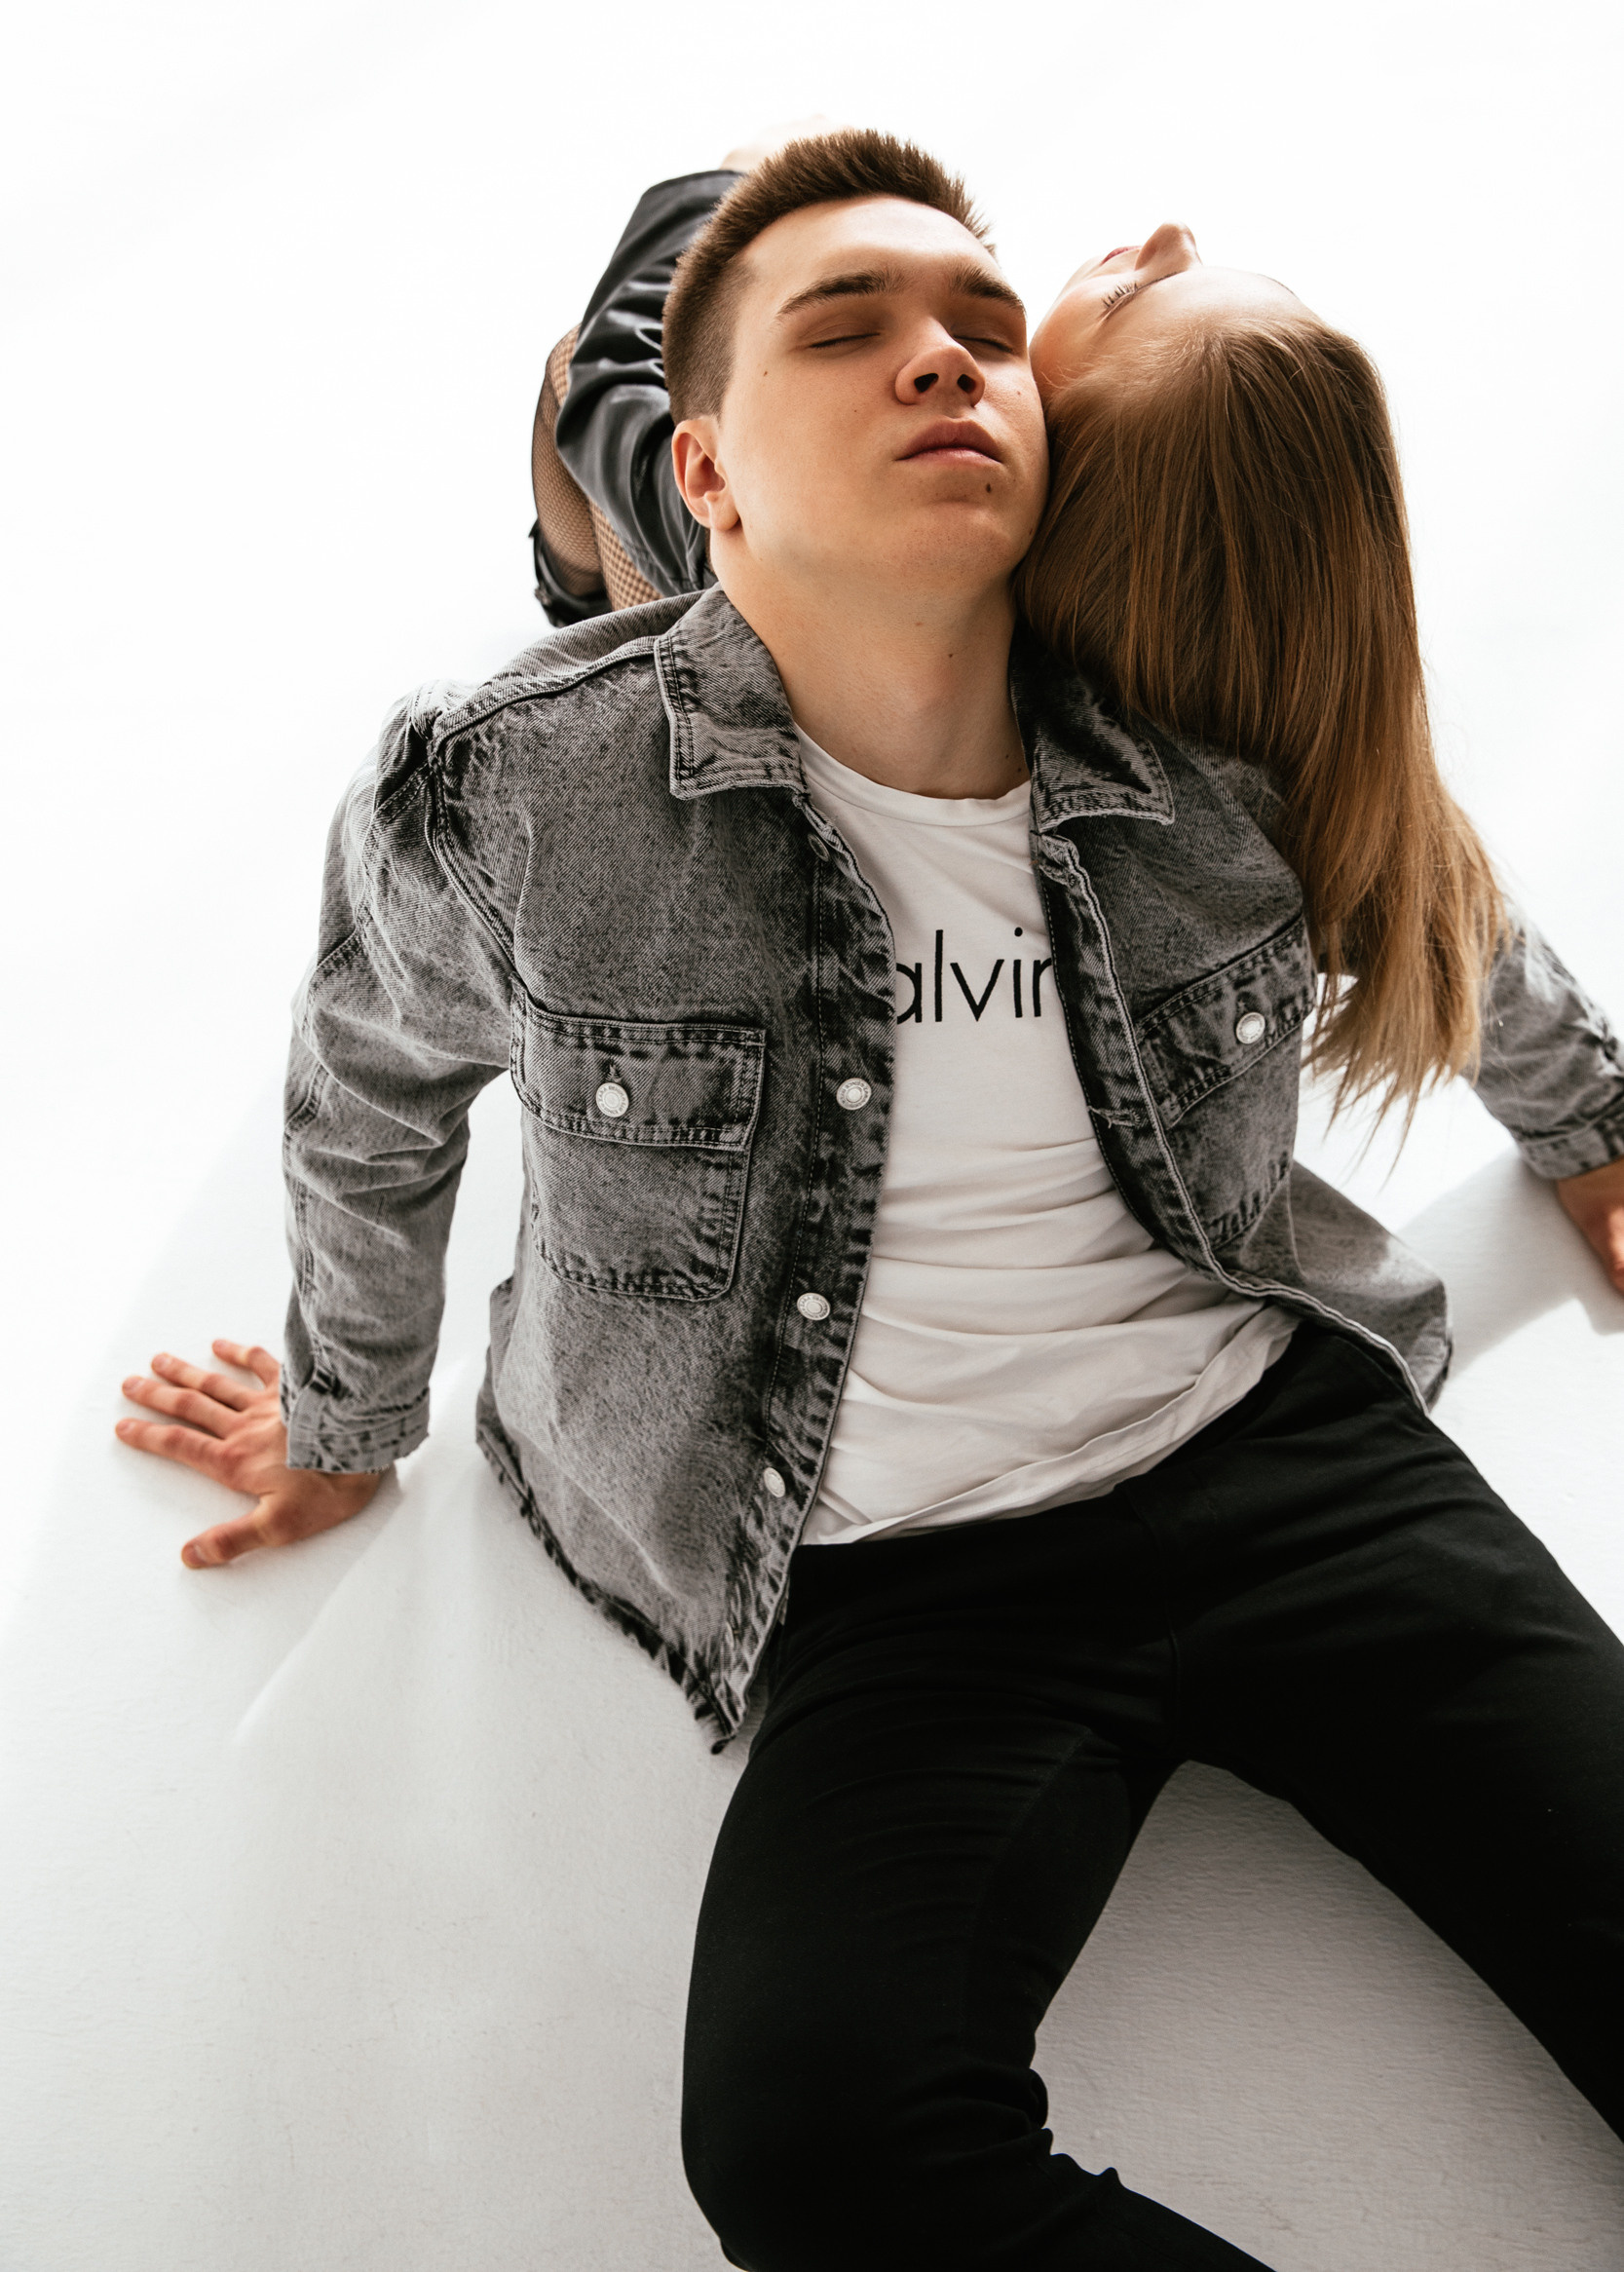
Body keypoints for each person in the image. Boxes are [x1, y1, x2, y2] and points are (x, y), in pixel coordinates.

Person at [117, 130, 1624, 2268]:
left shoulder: (1190, 749)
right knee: (814, 2143)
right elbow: (371, 1081)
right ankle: (646, 413)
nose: (942, 357)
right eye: (855, 332)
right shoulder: (519, 793)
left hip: (1284, 1460)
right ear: (725, 473)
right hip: (909, 1589)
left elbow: (1427, 872)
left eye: (990, 332)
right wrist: (349, 1417)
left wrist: (1593, 1124)